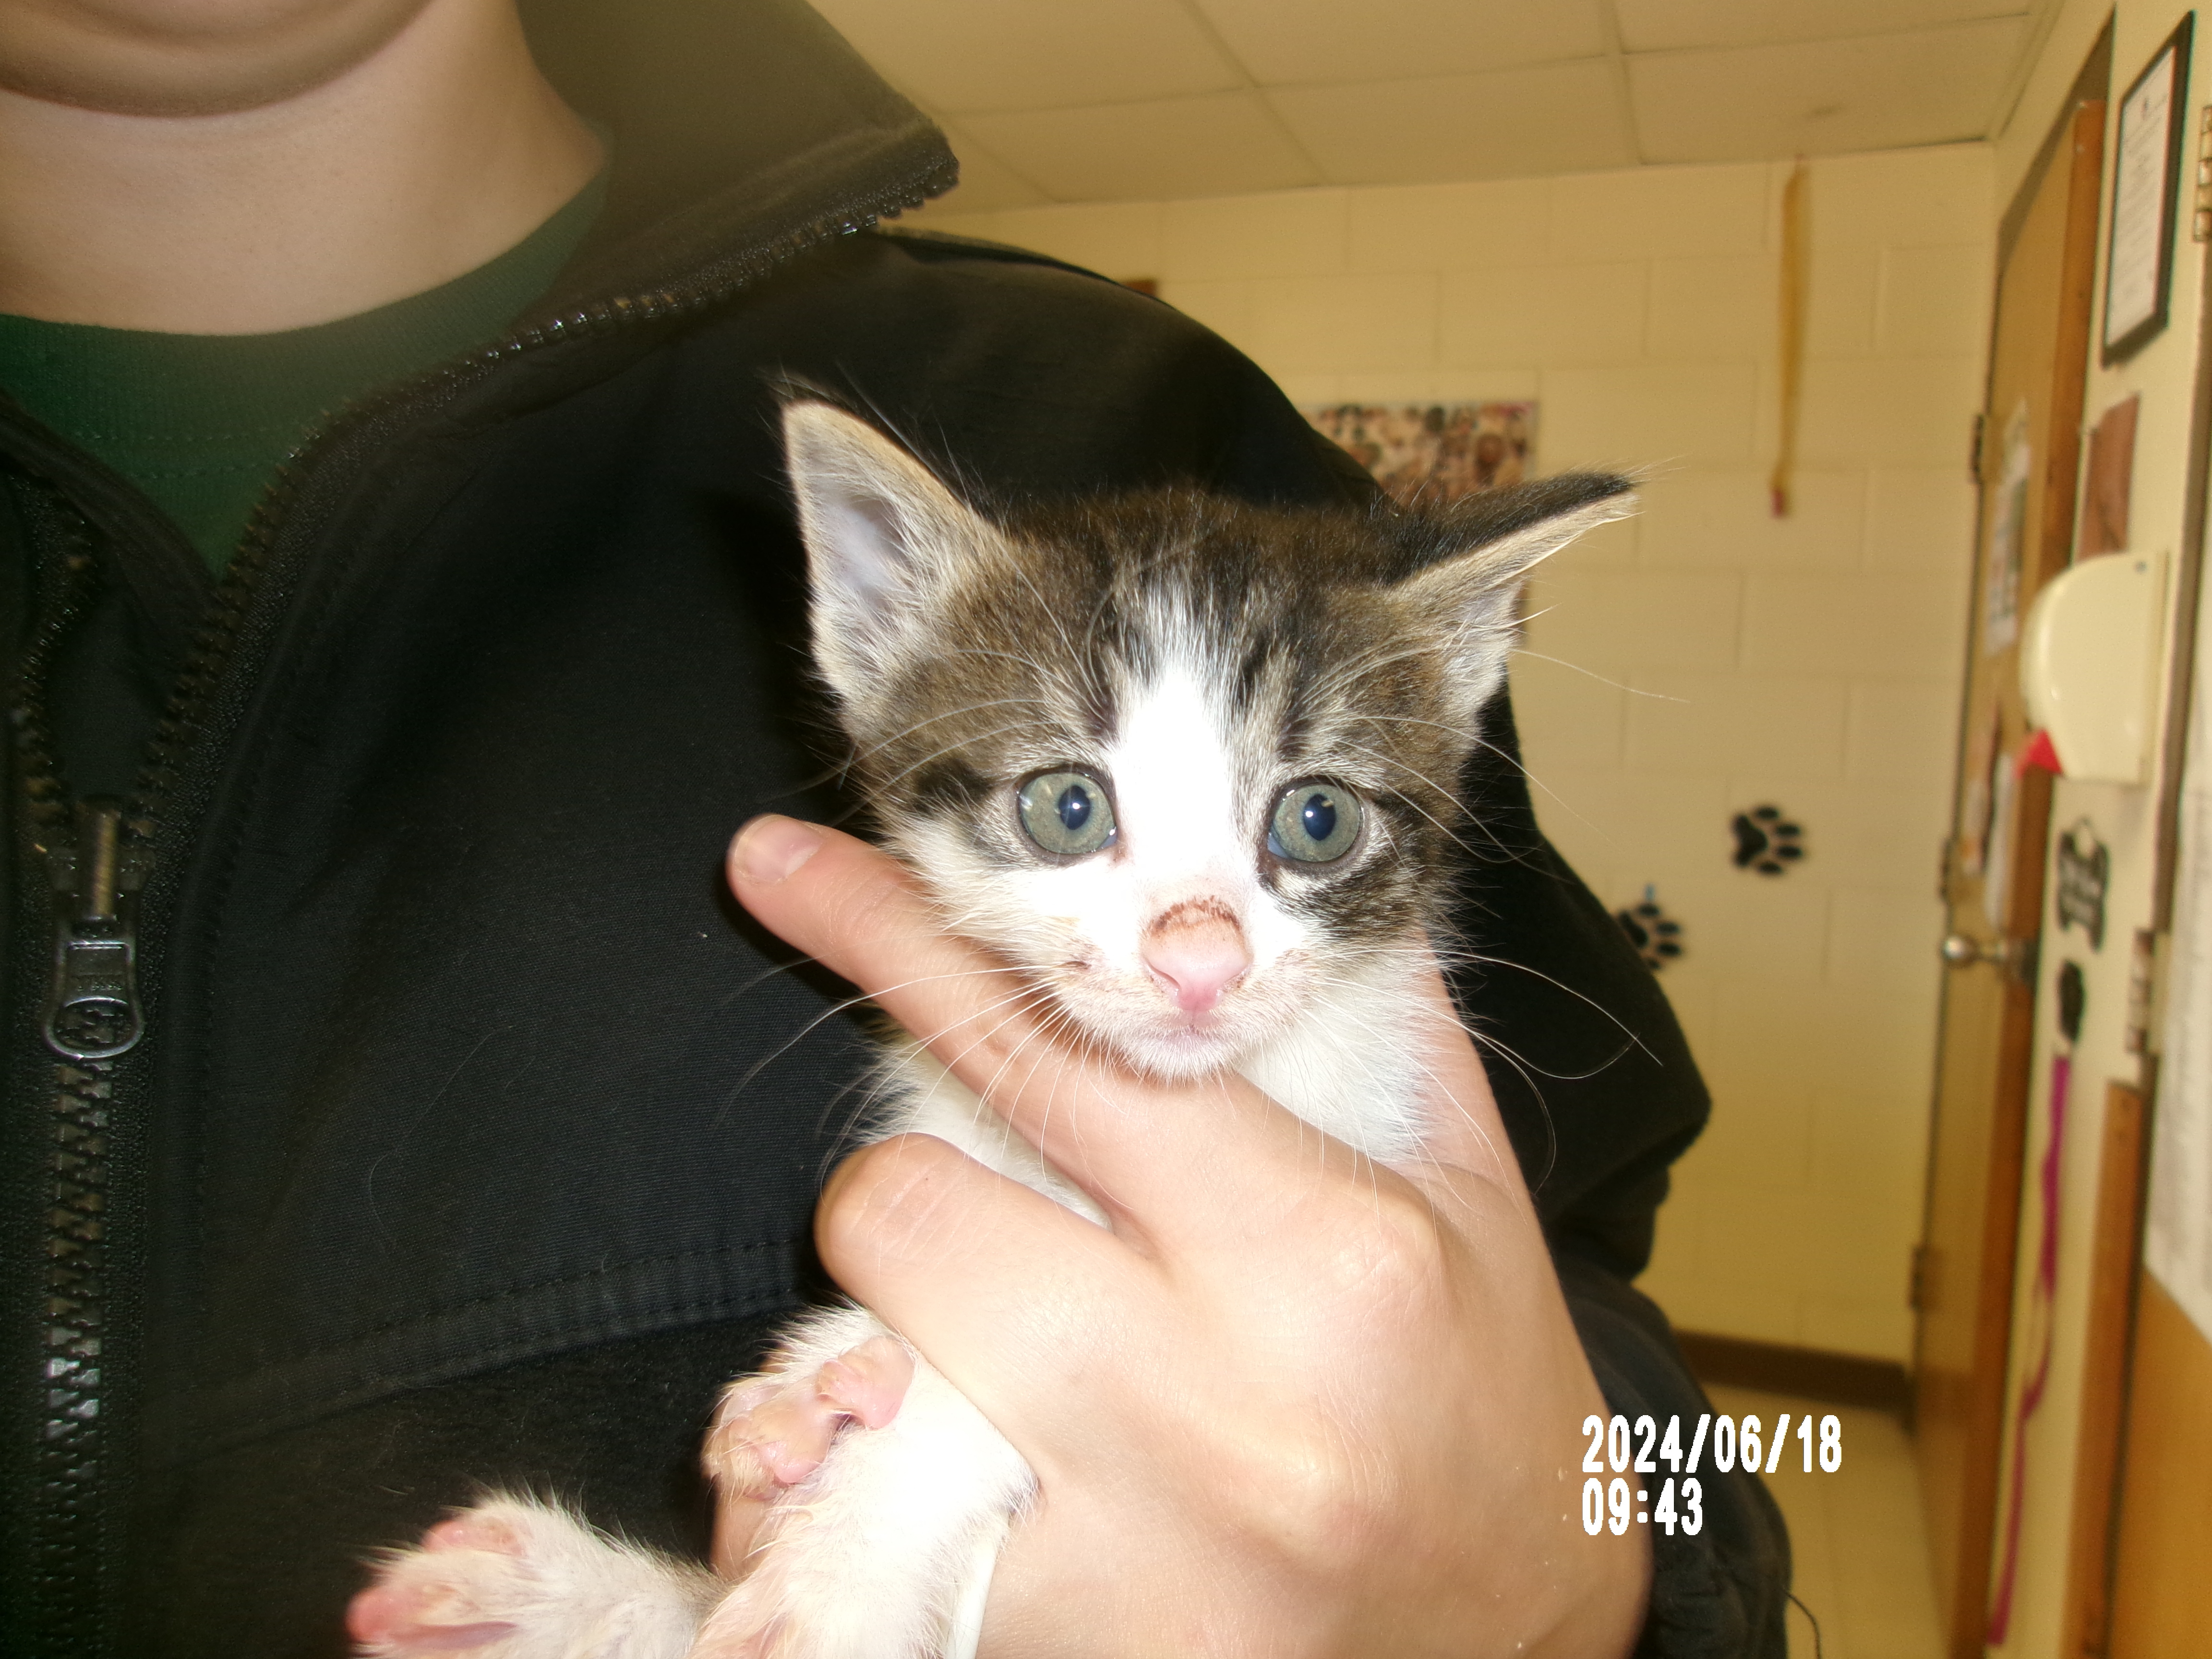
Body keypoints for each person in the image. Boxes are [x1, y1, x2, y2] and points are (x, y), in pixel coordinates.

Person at [0, 0, 1789, 1654]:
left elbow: (1634, 1354)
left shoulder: (1154, 405)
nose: (1194, 942)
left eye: (1307, 823)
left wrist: (1603, 1561)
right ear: (868, 627)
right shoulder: (947, 623)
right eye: (1070, 805)